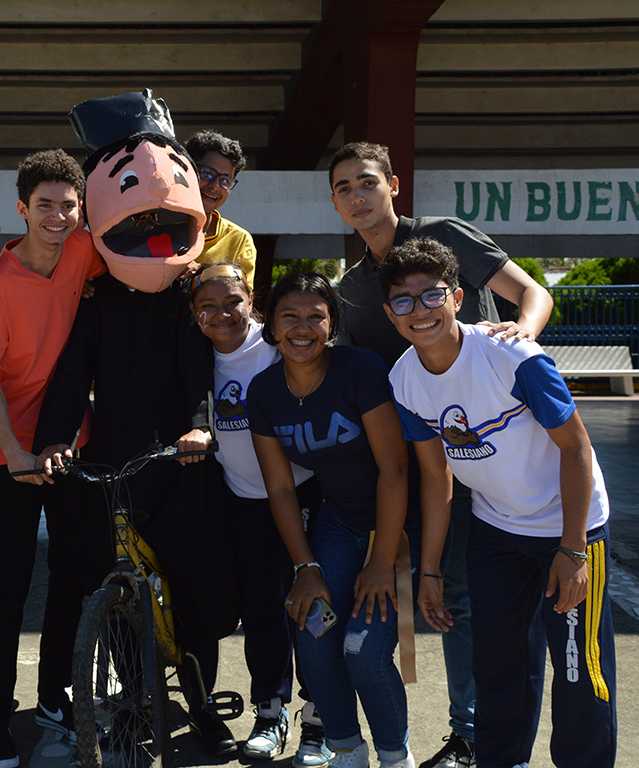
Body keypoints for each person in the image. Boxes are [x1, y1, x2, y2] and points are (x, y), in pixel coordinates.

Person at [329, 141, 554, 768]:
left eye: (367, 182)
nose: (358, 196)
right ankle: (469, 734)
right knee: (453, 596)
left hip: (503, 451)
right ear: (335, 202)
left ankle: (484, 734)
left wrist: (519, 340)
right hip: (436, 464)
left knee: (502, 606)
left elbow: (531, 293)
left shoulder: (440, 238)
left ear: (393, 185)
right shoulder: (351, 290)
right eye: (344, 187)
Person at [36, 90, 241, 757]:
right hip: (116, 458)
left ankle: (203, 698)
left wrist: (198, 428)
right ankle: (134, 692)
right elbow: (71, 373)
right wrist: (57, 440)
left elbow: (202, 376)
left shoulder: (191, 295)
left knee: (194, 577)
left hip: (181, 459)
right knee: (110, 573)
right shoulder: (99, 297)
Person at [382, 237, 616, 768]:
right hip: (497, 532)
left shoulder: (513, 357)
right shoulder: (403, 380)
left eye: (431, 295)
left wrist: (574, 550)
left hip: (572, 528)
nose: (419, 311)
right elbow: (435, 475)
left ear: (457, 298)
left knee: (579, 670)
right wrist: (432, 572)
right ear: (389, 313)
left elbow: (577, 448)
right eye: (403, 300)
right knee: (499, 667)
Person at [0, 149, 106, 768]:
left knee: (73, 581)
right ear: (21, 210)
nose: (57, 215)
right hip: (16, 449)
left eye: (67, 205)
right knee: (10, 584)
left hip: (73, 441)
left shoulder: (83, 250)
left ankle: (54, 698)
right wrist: (15, 451)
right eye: (43, 205)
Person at [247, 273, 414, 768]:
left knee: (362, 650)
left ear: (332, 323)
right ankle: (346, 749)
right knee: (316, 637)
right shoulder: (263, 391)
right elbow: (278, 487)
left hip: (398, 527)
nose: (303, 328)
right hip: (339, 526)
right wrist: (306, 568)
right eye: (289, 316)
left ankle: (393, 756)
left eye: (315, 316)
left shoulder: (359, 369)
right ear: (272, 326)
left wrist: (382, 561)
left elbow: (395, 469)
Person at [188, 262, 331, 766]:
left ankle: (320, 716)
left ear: (252, 300)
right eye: (208, 305)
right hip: (243, 501)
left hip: (305, 494)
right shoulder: (194, 354)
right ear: (194, 313)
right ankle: (270, 711)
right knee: (262, 611)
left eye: (233, 301)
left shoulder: (276, 348)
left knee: (314, 608)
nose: (222, 314)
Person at [184, 130, 257, 288]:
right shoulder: (154, 223)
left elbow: (240, 299)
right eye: (207, 174)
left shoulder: (238, 240)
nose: (215, 186)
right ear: (186, 169)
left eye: (225, 180)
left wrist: (202, 273)